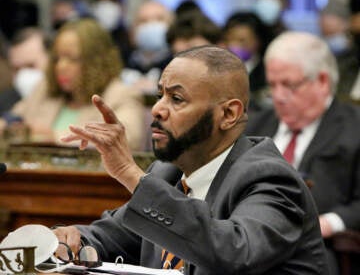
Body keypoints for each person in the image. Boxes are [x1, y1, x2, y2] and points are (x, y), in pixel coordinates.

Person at [54, 45, 329, 274]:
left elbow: (233, 253)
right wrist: (68, 239)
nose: (157, 109)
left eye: (176, 98)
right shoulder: (168, 174)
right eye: (160, 94)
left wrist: (128, 172)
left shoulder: (269, 178)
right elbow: (110, 235)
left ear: (228, 114)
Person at [245, 31, 360, 274]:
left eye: (288, 85)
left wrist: (328, 223)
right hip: (248, 241)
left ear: (322, 81)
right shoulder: (254, 126)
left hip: (317, 251)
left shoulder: (354, 129)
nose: (278, 97)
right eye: (272, 85)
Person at [2, 18, 144, 150]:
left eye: (72, 59)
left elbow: (128, 139)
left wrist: (55, 137)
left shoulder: (121, 94)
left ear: (97, 62)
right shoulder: (46, 89)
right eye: (57, 58)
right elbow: (13, 118)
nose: (61, 66)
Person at [0, 27, 49, 116]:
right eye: (16, 69)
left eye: (30, 66)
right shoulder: (4, 105)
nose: (23, 75)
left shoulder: (67, 101)